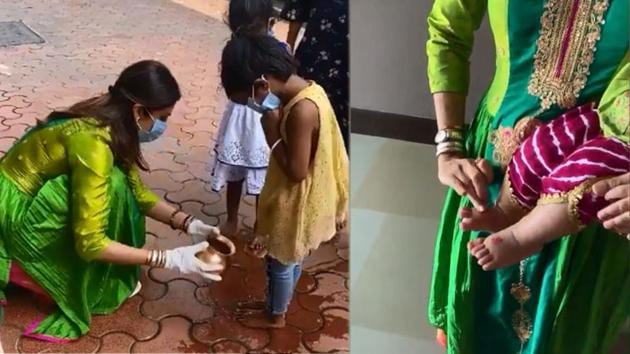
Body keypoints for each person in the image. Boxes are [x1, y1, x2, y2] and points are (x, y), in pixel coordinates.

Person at [426, 0, 629, 353]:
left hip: (597, 187)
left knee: (565, 327)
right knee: (478, 309)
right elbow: (448, 30)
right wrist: (449, 146)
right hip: (493, 167)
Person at [0, 60, 232, 342]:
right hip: (13, 214)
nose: (162, 126)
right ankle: (47, 270)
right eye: (163, 117)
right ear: (138, 110)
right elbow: (91, 243)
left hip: (22, 195)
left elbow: (139, 193)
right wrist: (169, 259)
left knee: (121, 185)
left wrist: (191, 225)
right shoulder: (94, 144)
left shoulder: (110, 116)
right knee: (110, 191)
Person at [219, 34, 348, 328]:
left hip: (296, 206)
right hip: (304, 201)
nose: (250, 107)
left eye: (247, 100)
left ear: (262, 85)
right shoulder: (311, 90)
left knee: (280, 260)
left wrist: (271, 131)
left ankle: (275, 316)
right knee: (293, 257)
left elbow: (297, 171)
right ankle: (279, 304)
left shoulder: (301, 111)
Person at [462, 101, 629, 270]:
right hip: (608, 112)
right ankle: (505, 213)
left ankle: (521, 238)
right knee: (540, 147)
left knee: (588, 167)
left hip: (624, 144)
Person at [210, 0, 288, 237]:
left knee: (263, 175)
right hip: (240, 116)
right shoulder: (234, 50)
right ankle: (231, 218)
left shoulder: (275, 49)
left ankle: (260, 225)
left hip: (263, 118)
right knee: (235, 172)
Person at [281, 0, 349, 150]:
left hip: (348, 73)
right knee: (301, 126)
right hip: (314, 61)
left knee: (341, 139)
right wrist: (288, 52)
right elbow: (298, 8)